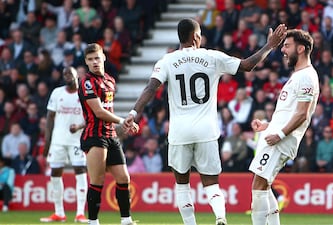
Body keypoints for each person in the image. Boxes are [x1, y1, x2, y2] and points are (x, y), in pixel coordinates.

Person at [123, 19, 287, 225]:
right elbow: (247, 65)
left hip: (179, 132)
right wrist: (270, 46)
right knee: (211, 183)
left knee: (182, 184)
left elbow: (150, 88)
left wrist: (133, 112)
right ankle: (220, 218)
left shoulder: (166, 61)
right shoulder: (212, 57)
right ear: (196, 37)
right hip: (206, 131)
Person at [249, 29, 319, 225]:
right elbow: (290, 112)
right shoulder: (299, 76)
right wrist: (268, 126)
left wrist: (279, 134)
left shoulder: (306, 76)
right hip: (276, 136)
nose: (283, 50)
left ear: (301, 48)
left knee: (258, 185)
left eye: (287, 46)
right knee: (265, 184)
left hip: (281, 141)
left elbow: (302, 114)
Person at [78, 43, 139, 225]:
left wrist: (121, 125)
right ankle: (93, 222)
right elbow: (98, 112)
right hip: (94, 136)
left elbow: (107, 109)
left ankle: (126, 220)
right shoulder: (87, 82)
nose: (95, 62)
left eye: (97, 58)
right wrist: (123, 121)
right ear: (86, 62)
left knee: (123, 178)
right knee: (97, 180)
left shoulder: (110, 80)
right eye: (90, 59)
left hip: (111, 135)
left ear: (103, 57)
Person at [40, 67, 88, 223]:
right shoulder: (57, 93)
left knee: (80, 171)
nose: (67, 76)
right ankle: (59, 213)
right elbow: (49, 118)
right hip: (58, 140)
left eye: (70, 73)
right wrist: (47, 142)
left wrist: (79, 127)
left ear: (77, 75)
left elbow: (91, 117)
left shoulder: (84, 94)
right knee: (55, 173)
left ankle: (80, 213)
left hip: (76, 140)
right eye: (65, 74)